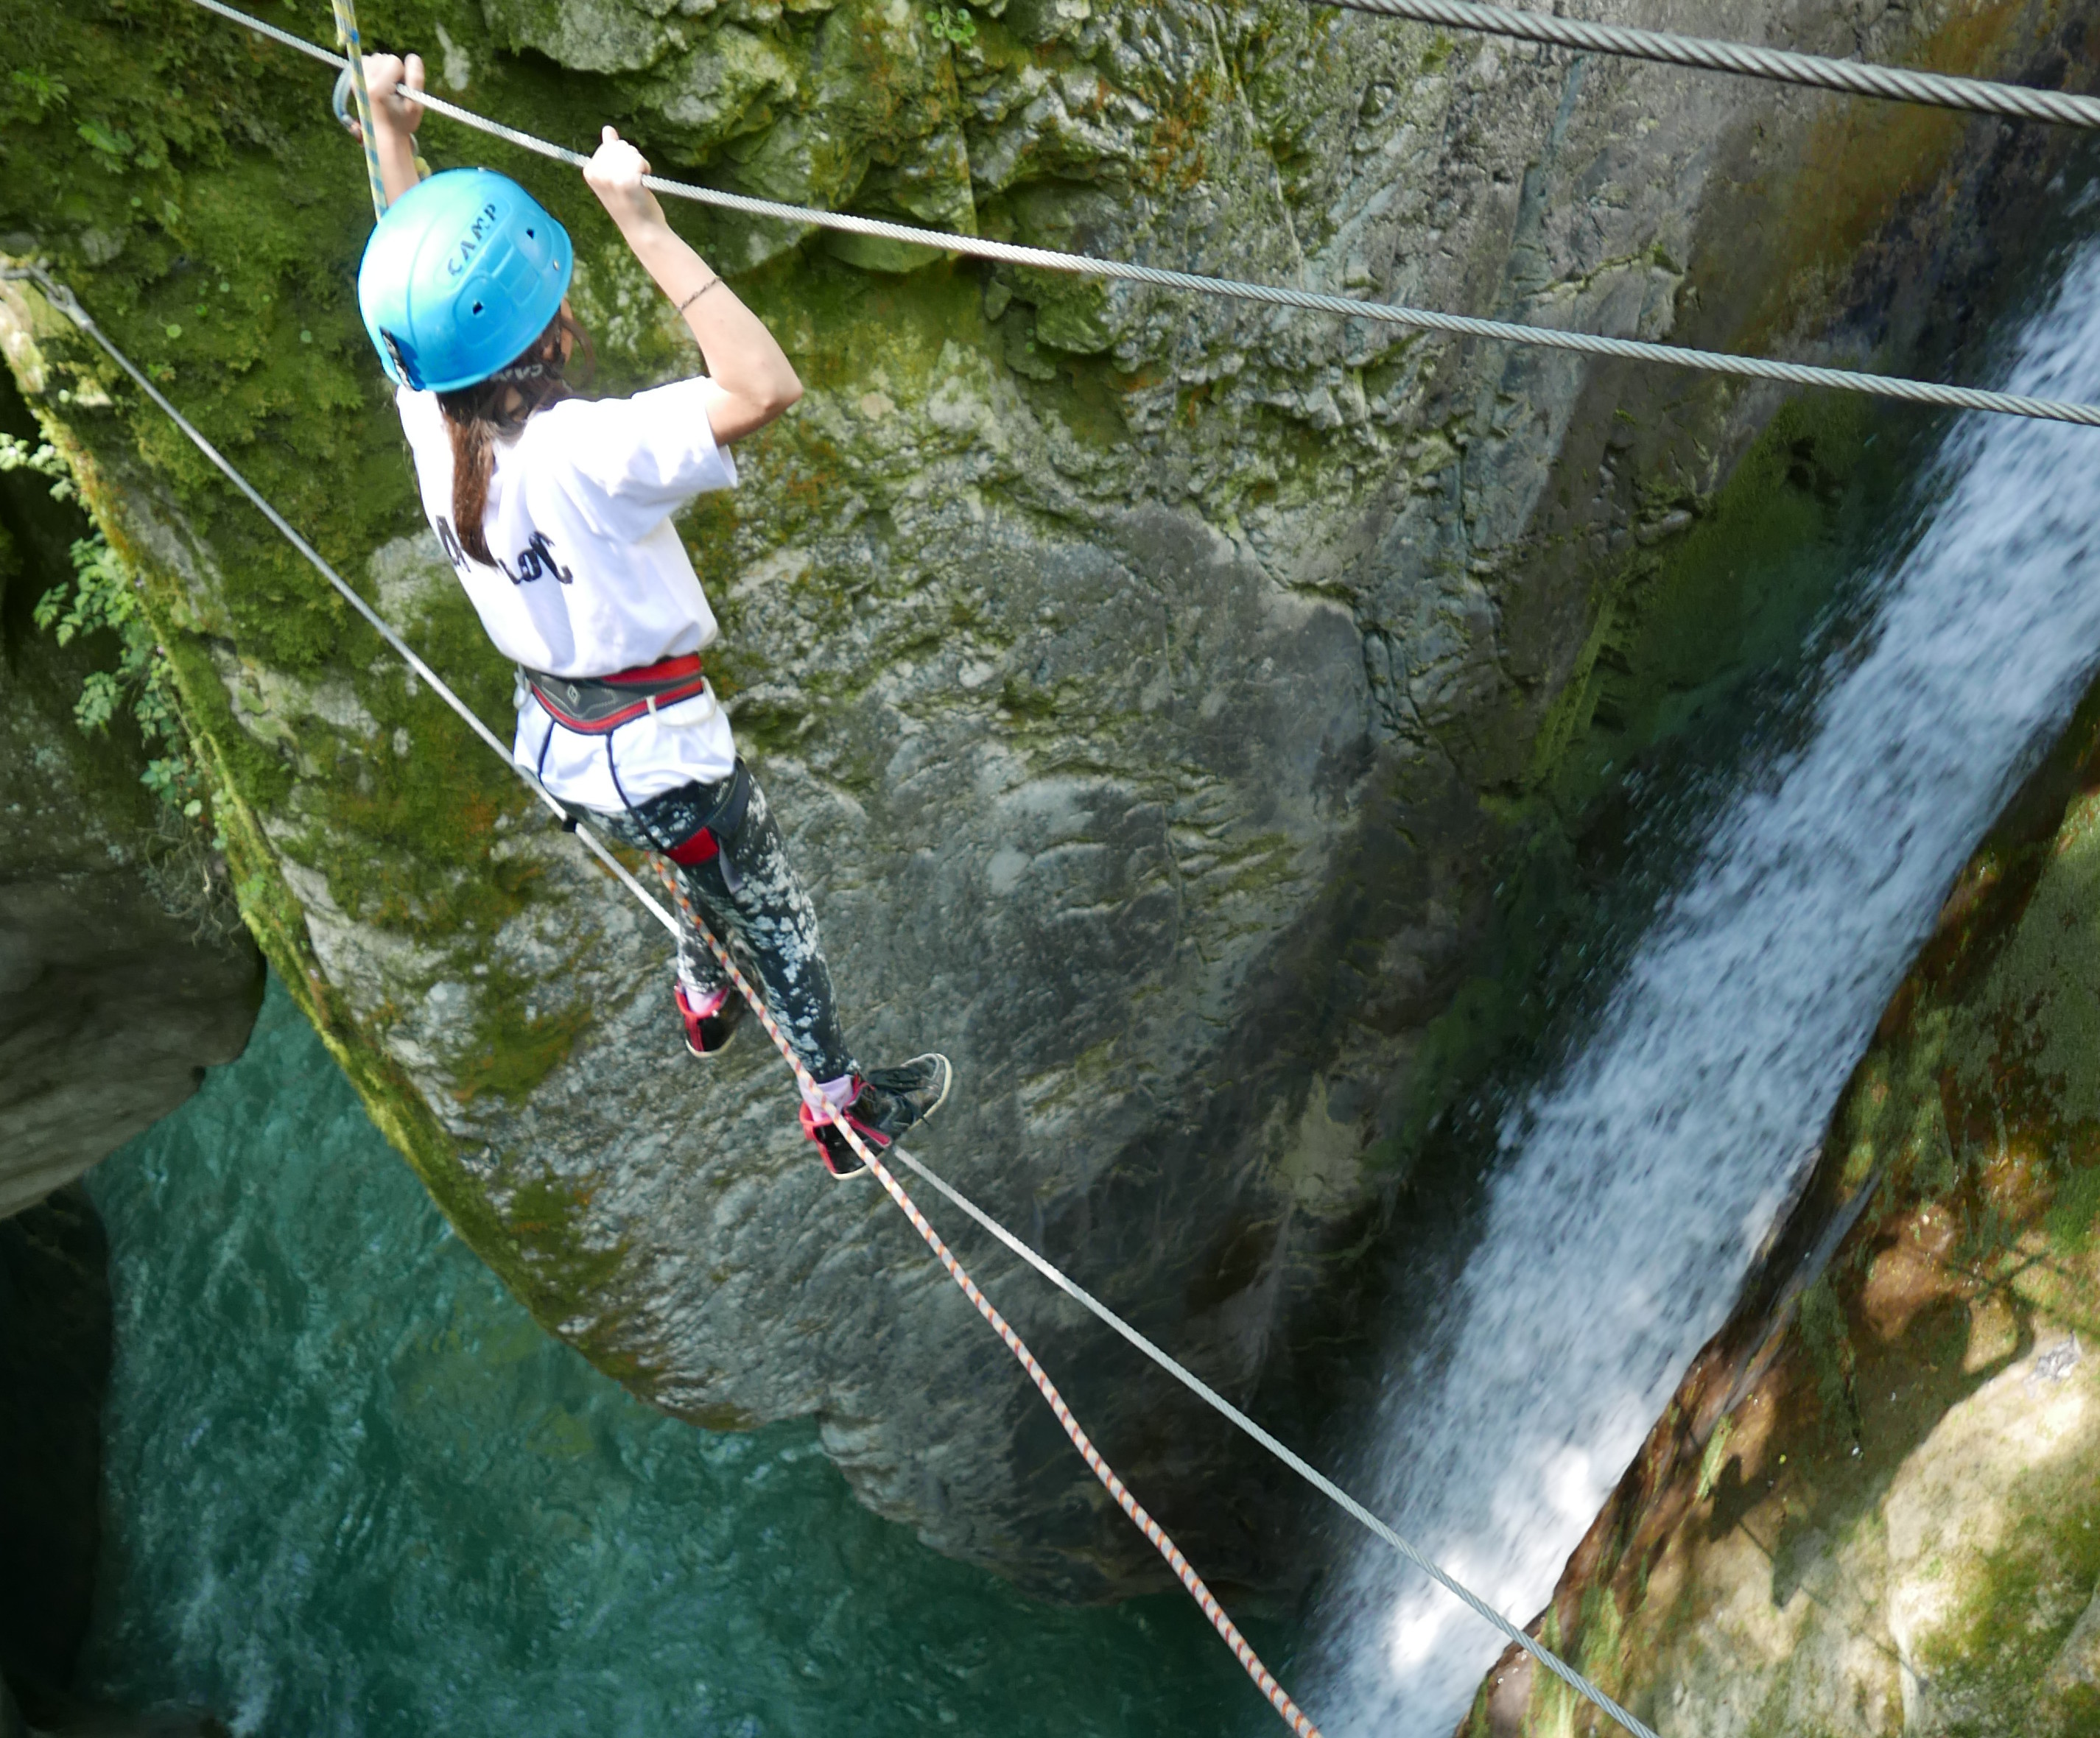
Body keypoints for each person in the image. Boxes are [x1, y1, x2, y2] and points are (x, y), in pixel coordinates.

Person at [348, 53, 949, 1178]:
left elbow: (416, 284)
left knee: (690, 860)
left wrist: (389, 133)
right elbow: (764, 387)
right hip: (660, 750)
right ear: (546, 320)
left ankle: (700, 992)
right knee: (774, 913)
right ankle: (842, 1107)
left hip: (566, 743)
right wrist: (644, 221)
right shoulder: (585, 449)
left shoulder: (433, 429)